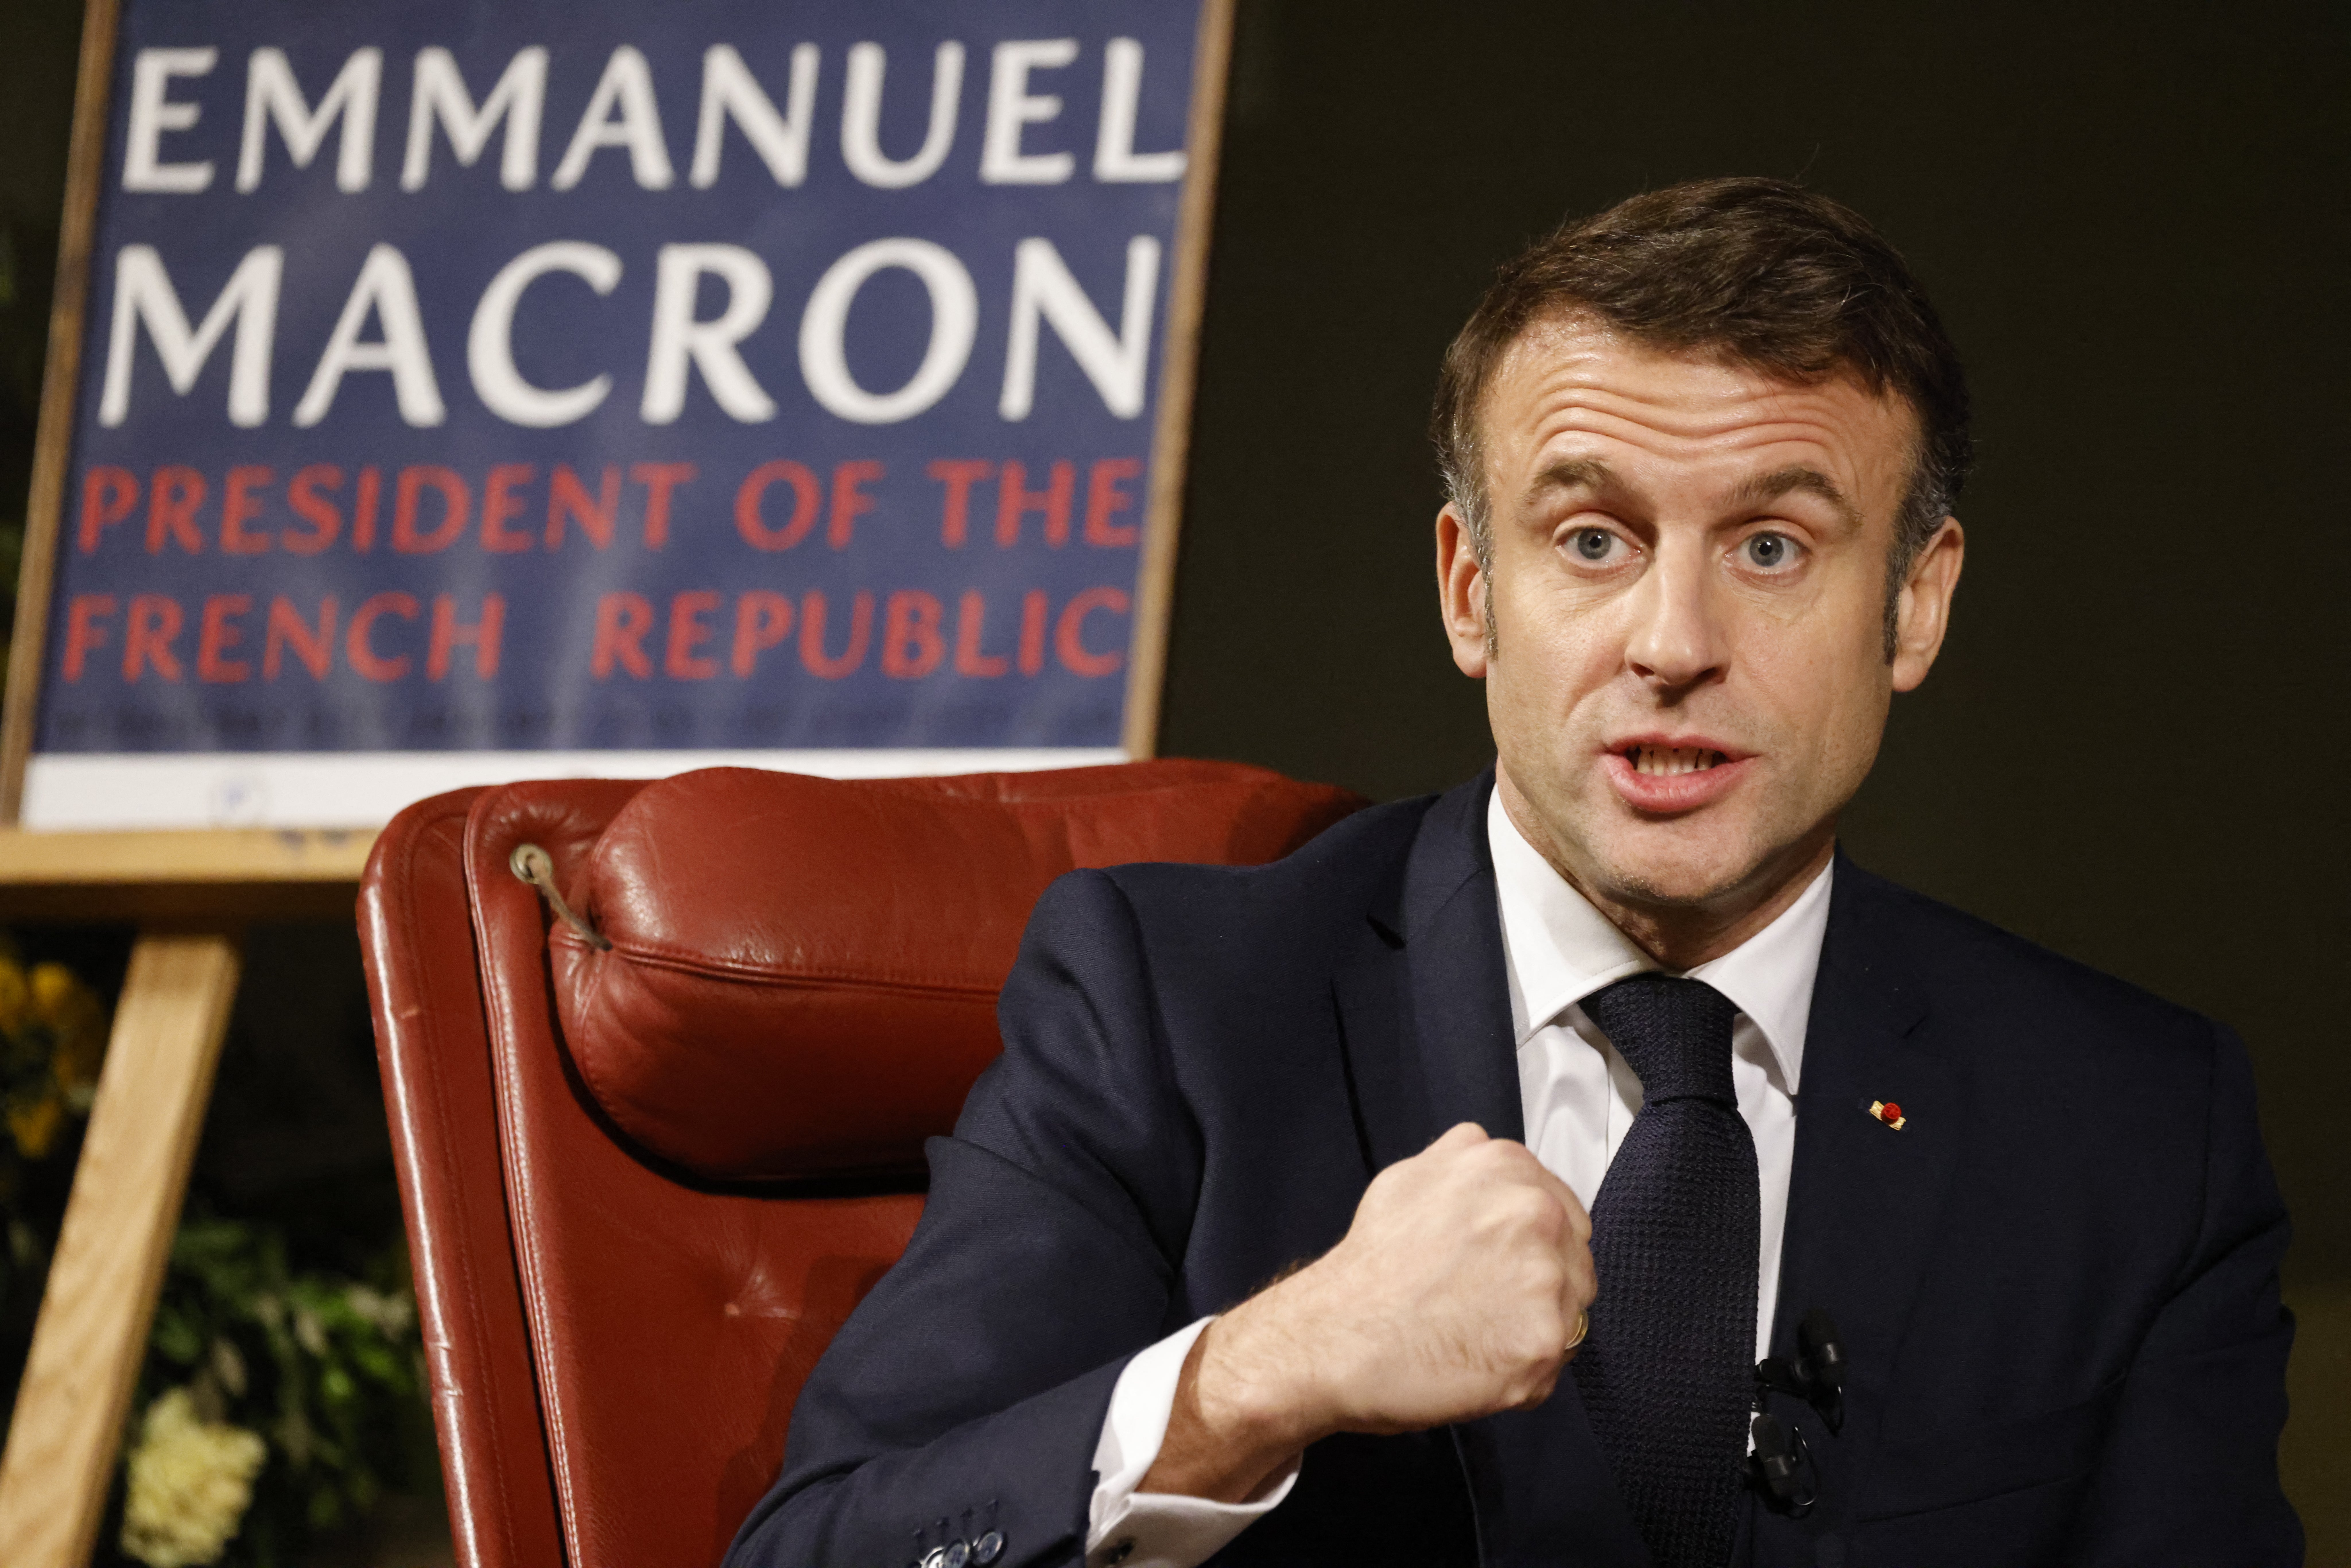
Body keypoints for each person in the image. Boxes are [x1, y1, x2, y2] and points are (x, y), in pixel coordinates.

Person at [723, 178, 2300, 1568]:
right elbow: (830, 1546)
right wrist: (1267, 1365)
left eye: (1772, 547)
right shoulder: (1173, 1013)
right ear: (1473, 592)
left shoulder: (2136, 1134)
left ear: (1914, 607)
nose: (1674, 645)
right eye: (1595, 540)